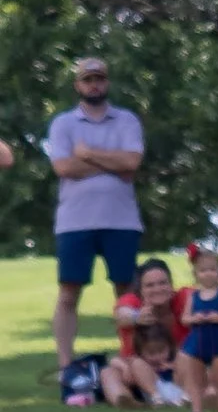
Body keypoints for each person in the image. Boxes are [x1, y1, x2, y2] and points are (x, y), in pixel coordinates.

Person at [48, 56, 146, 384]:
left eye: (99, 79)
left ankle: (131, 358)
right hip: (75, 221)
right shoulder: (64, 124)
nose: (94, 84)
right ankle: (66, 364)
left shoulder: (127, 120)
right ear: (78, 85)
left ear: (107, 82)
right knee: (69, 292)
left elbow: (133, 162)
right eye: (88, 79)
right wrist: (113, 164)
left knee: (127, 291)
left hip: (121, 219)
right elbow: (63, 168)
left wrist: (88, 156)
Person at [99, 256, 186, 409]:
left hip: (175, 371)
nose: (157, 289)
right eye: (150, 285)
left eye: (163, 283)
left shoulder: (183, 299)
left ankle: (184, 396)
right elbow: (121, 316)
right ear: (141, 290)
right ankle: (125, 400)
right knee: (107, 373)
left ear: (171, 286)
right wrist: (137, 317)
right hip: (136, 373)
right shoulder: (132, 302)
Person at [176, 245, 218, 412]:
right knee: (196, 381)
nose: (208, 274)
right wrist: (195, 318)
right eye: (203, 270)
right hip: (197, 344)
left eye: (213, 269)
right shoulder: (194, 296)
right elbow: (185, 319)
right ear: (196, 273)